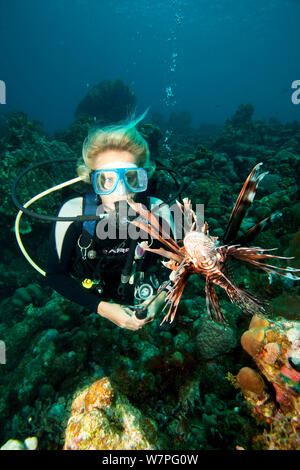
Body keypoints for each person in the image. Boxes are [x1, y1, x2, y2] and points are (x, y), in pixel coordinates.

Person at [46, 113, 173, 330]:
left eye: (130, 177)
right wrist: (101, 308)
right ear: (92, 180)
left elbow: (179, 266)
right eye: (107, 180)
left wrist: (158, 302)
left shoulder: (158, 210)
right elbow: (56, 274)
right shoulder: (73, 212)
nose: (122, 192)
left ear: (141, 177)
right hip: (92, 300)